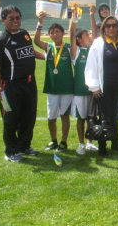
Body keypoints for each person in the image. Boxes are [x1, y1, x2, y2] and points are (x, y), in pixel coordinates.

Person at [0, 5, 44, 162]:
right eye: (11, 18)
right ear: (3, 20)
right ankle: (11, 151)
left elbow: (31, 51)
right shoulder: (1, 40)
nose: (15, 21)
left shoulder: (24, 34)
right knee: (11, 119)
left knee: (29, 117)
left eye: (18, 18)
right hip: (11, 86)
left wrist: (48, 57)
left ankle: (24, 146)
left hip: (29, 84)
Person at [85, 16, 118, 156]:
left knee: (114, 115)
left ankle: (116, 143)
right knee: (103, 116)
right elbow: (91, 65)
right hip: (104, 87)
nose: (111, 28)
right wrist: (94, 86)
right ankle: (102, 146)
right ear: (103, 28)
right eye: (108, 26)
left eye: (114, 25)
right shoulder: (98, 43)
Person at [35, 12, 74, 153]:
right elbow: (36, 41)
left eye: (57, 32)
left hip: (67, 88)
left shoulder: (69, 48)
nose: (54, 34)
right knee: (51, 117)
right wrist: (40, 23)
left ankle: (64, 141)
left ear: (63, 33)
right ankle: (53, 140)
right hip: (52, 88)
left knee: (64, 116)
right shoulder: (49, 47)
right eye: (51, 32)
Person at [69, 5, 99, 155]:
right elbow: (71, 35)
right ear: (79, 39)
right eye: (85, 35)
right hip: (80, 92)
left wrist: (92, 15)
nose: (89, 37)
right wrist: (74, 19)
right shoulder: (76, 51)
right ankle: (81, 144)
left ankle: (89, 142)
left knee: (91, 118)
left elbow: (95, 34)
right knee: (81, 118)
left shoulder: (91, 49)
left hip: (91, 91)